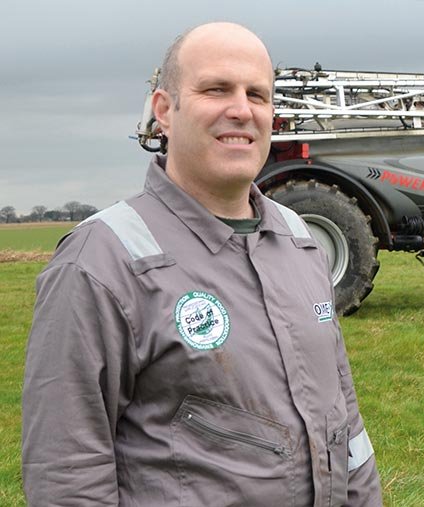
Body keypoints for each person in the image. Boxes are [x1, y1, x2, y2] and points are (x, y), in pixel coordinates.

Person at [21, 22, 382, 506]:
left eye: (258, 94)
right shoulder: (101, 263)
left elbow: (344, 419)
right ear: (164, 111)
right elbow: (66, 473)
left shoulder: (300, 242)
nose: (241, 110)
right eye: (216, 89)